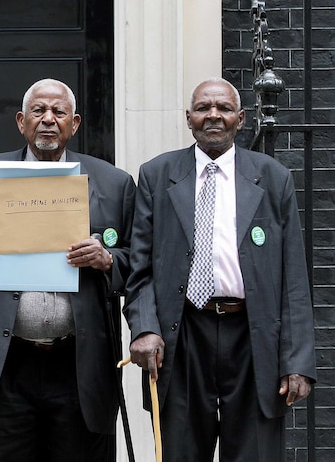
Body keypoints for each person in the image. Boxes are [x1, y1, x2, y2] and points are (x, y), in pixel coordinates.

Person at [123, 77, 316, 461]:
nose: (213, 116)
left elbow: (293, 276)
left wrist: (296, 361)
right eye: (203, 108)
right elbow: (138, 266)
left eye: (224, 109)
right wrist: (144, 328)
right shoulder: (156, 176)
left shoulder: (273, 178)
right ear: (189, 118)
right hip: (184, 333)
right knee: (179, 448)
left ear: (241, 119)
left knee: (254, 451)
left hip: (251, 334)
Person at [0, 78, 135, 461]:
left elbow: (141, 263)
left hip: (79, 364)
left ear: (75, 123)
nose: (48, 120)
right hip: (8, 364)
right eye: (38, 111)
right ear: (20, 121)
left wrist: (107, 260)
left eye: (59, 112)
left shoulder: (114, 185)